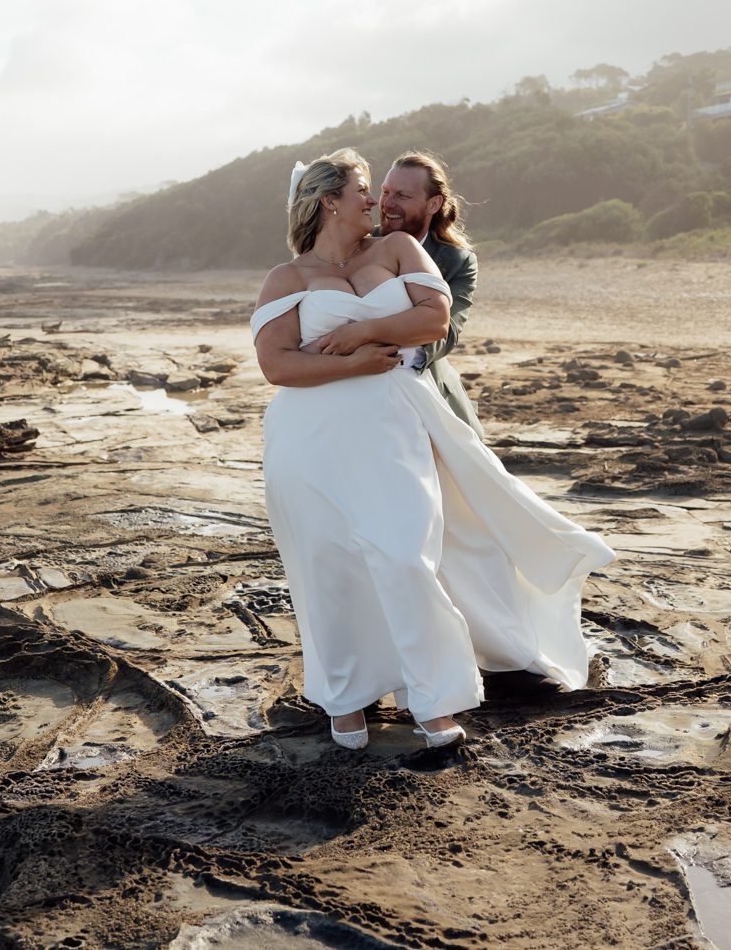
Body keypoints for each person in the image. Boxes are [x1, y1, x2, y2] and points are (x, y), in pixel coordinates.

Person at [250, 149, 615, 756]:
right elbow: (275, 363)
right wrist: (351, 366)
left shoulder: (398, 252)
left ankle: (436, 696)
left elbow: (437, 319)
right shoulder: (285, 278)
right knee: (329, 566)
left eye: (386, 192)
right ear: (329, 202)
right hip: (310, 440)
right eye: (365, 190)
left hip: (394, 428)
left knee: (404, 554)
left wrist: (364, 335)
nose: (375, 201)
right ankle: (346, 699)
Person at [377, 152, 484, 438]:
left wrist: (396, 359)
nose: (387, 204)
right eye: (385, 192)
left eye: (402, 195)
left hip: (425, 382)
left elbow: (446, 332)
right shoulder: (358, 244)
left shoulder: (457, 261)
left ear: (434, 204)